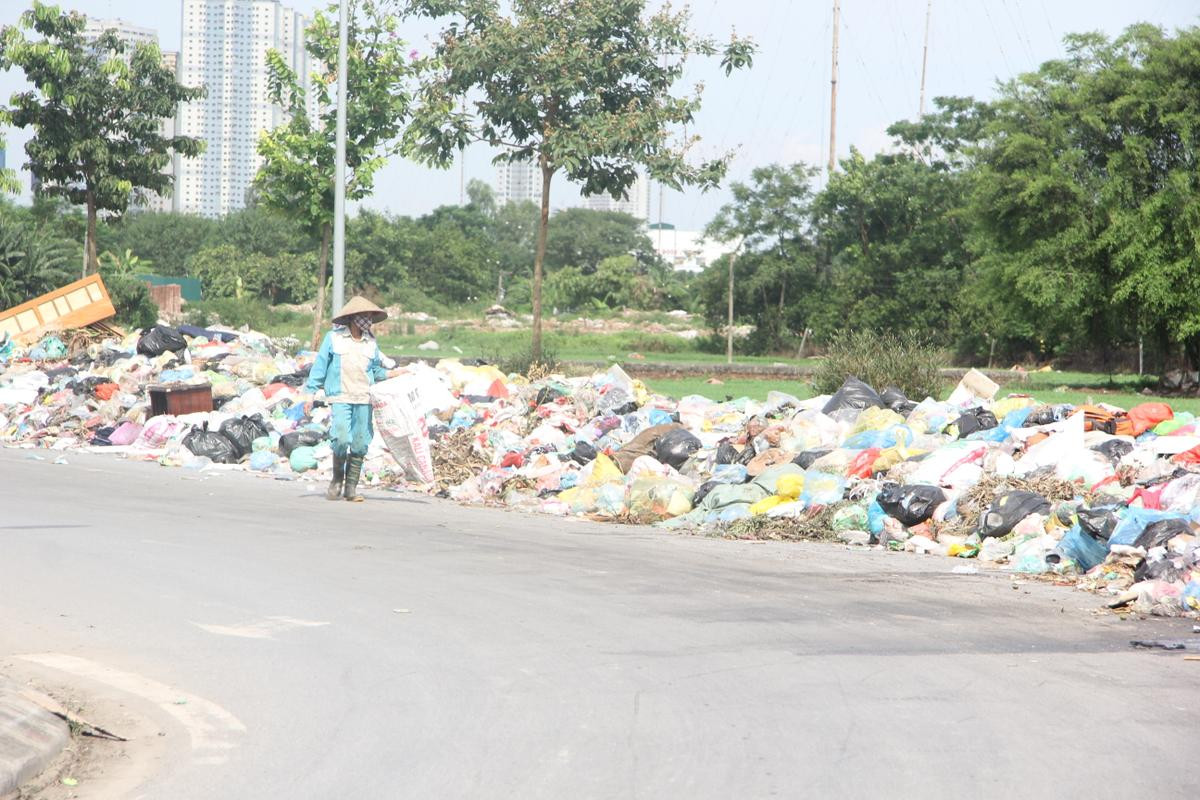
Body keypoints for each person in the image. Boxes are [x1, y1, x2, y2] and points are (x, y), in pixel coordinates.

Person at [305, 296, 399, 502]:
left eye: (369, 317)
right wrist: (310, 394)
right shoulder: (333, 338)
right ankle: (337, 478)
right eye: (363, 316)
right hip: (340, 396)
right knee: (341, 438)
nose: (367, 320)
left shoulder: (370, 343)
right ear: (352, 318)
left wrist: (396, 374)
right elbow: (320, 366)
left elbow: (375, 370)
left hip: (364, 398)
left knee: (359, 443)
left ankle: (351, 487)